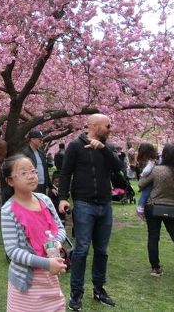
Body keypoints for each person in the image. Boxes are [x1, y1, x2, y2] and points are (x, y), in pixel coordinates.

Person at [58, 114, 124, 310]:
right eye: (108, 126)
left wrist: (104, 150)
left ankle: (99, 289)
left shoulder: (108, 147)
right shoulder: (75, 146)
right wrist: (62, 197)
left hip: (105, 204)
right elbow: (65, 173)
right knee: (81, 249)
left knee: (102, 251)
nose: (110, 129)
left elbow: (119, 167)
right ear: (95, 126)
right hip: (84, 204)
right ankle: (76, 294)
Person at [1, 154, 67, 311]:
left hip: (50, 279)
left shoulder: (45, 200)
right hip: (27, 283)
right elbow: (13, 251)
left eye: (33, 171)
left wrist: (56, 243)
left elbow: (60, 228)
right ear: (10, 181)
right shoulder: (8, 210)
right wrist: (46, 263)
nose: (31, 176)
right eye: (23, 173)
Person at [138, 143, 174, 277]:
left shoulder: (157, 170)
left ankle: (155, 267)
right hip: (172, 207)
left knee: (153, 237)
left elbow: (141, 184)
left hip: (153, 206)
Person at [135, 142, 158, 220]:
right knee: (145, 194)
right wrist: (142, 174)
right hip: (148, 181)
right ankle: (140, 208)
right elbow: (147, 171)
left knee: (145, 194)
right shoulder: (151, 161)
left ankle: (141, 208)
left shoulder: (144, 161)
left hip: (145, 181)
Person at [22, 130, 50, 195]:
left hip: (42, 185)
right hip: (31, 185)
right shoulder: (25, 153)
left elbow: (45, 170)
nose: (41, 141)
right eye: (39, 139)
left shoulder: (41, 153)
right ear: (32, 139)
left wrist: (50, 186)